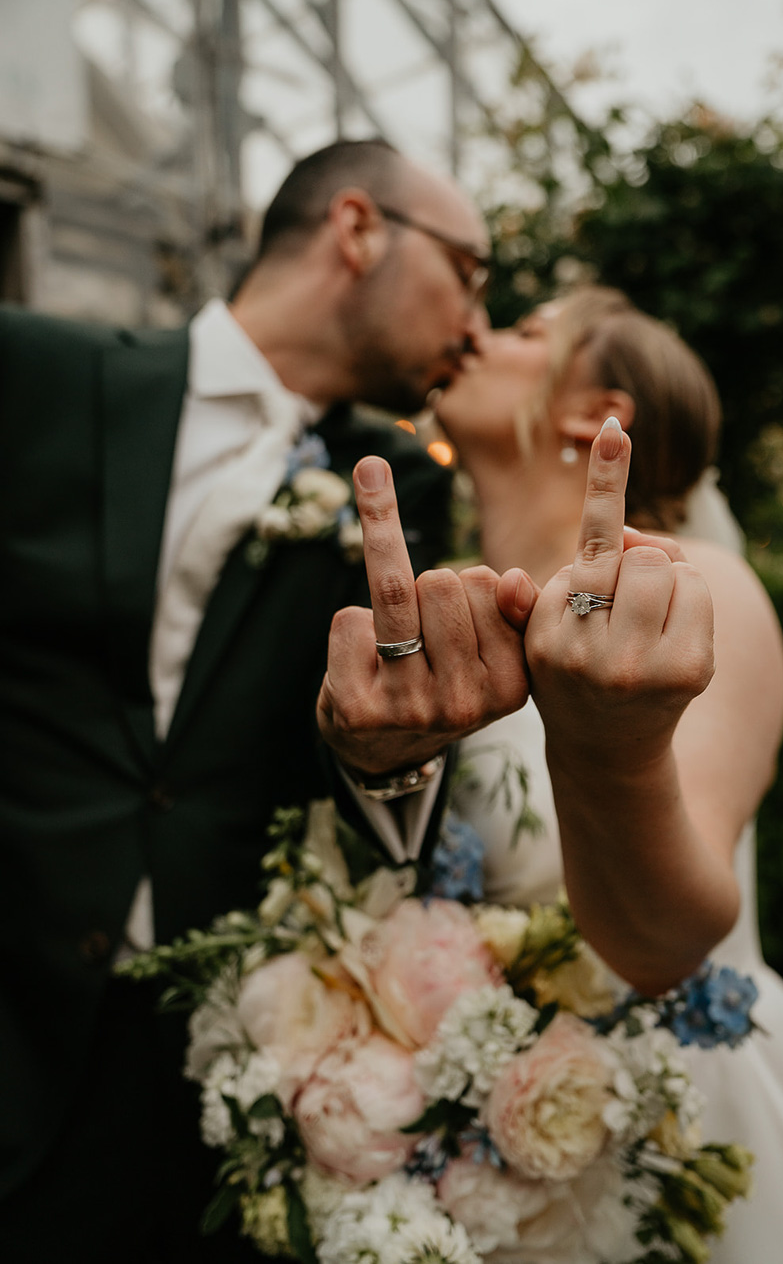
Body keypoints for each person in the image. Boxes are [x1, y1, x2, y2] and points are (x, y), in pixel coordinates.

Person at [0, 139, 533, 1263]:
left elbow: (364, 762)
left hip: (212, 1082)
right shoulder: (35, 372)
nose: (477, 325)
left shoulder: (400, 485)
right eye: (469, 272)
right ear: (356, 228)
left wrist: (389, 753)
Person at [427, 285, 783, 1261]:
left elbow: (664, 940)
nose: (477, 337)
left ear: (592, 411)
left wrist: (603, 746)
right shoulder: (449, 619)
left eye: (526, 333)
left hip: (679, 1129)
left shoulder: (694, 588)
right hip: (484, 1139)